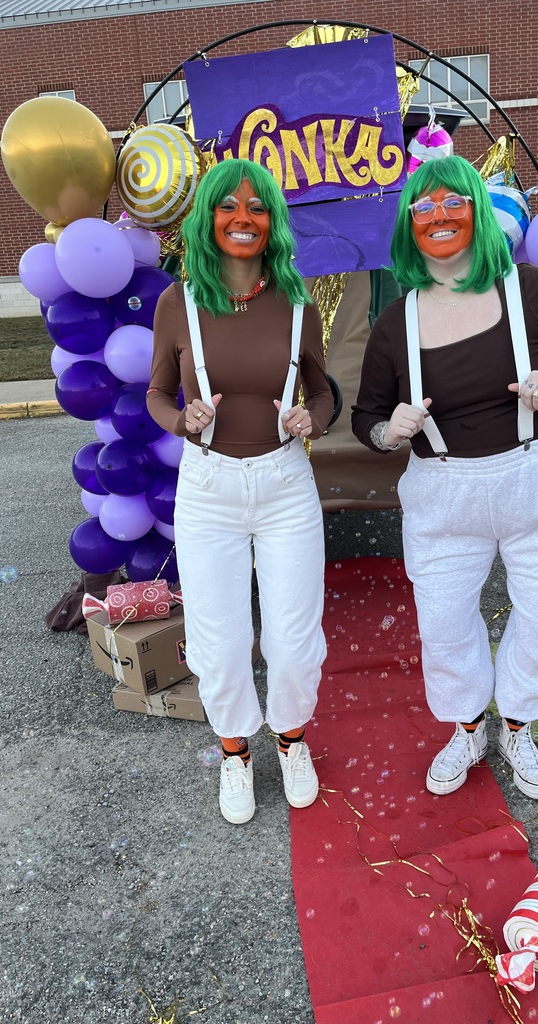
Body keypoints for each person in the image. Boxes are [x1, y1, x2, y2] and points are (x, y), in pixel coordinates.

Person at [352, 155, 538, 800]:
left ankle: (519, 724)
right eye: (424, 208)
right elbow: (365, 416)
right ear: (408, 227)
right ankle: (468, 725)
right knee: (443, 617)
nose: (440, 217)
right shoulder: (398, 323)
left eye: (453, 204)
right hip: (444, 492)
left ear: (478, 212)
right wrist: (389, 432)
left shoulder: (533, 288)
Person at [147, 158, 334, 825]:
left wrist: (316, 418)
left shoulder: (295, 297)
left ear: (272, 221)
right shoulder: (179, 302)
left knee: (291, 634)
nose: (243, 219)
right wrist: (181, 421)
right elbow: (157, 393)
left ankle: (290, 740)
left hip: (285, 483)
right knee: (218, 638)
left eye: (257, 208)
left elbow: (324, 388)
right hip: (208, 488)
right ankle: (235, 752)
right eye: (229, 206)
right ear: (208, 218)